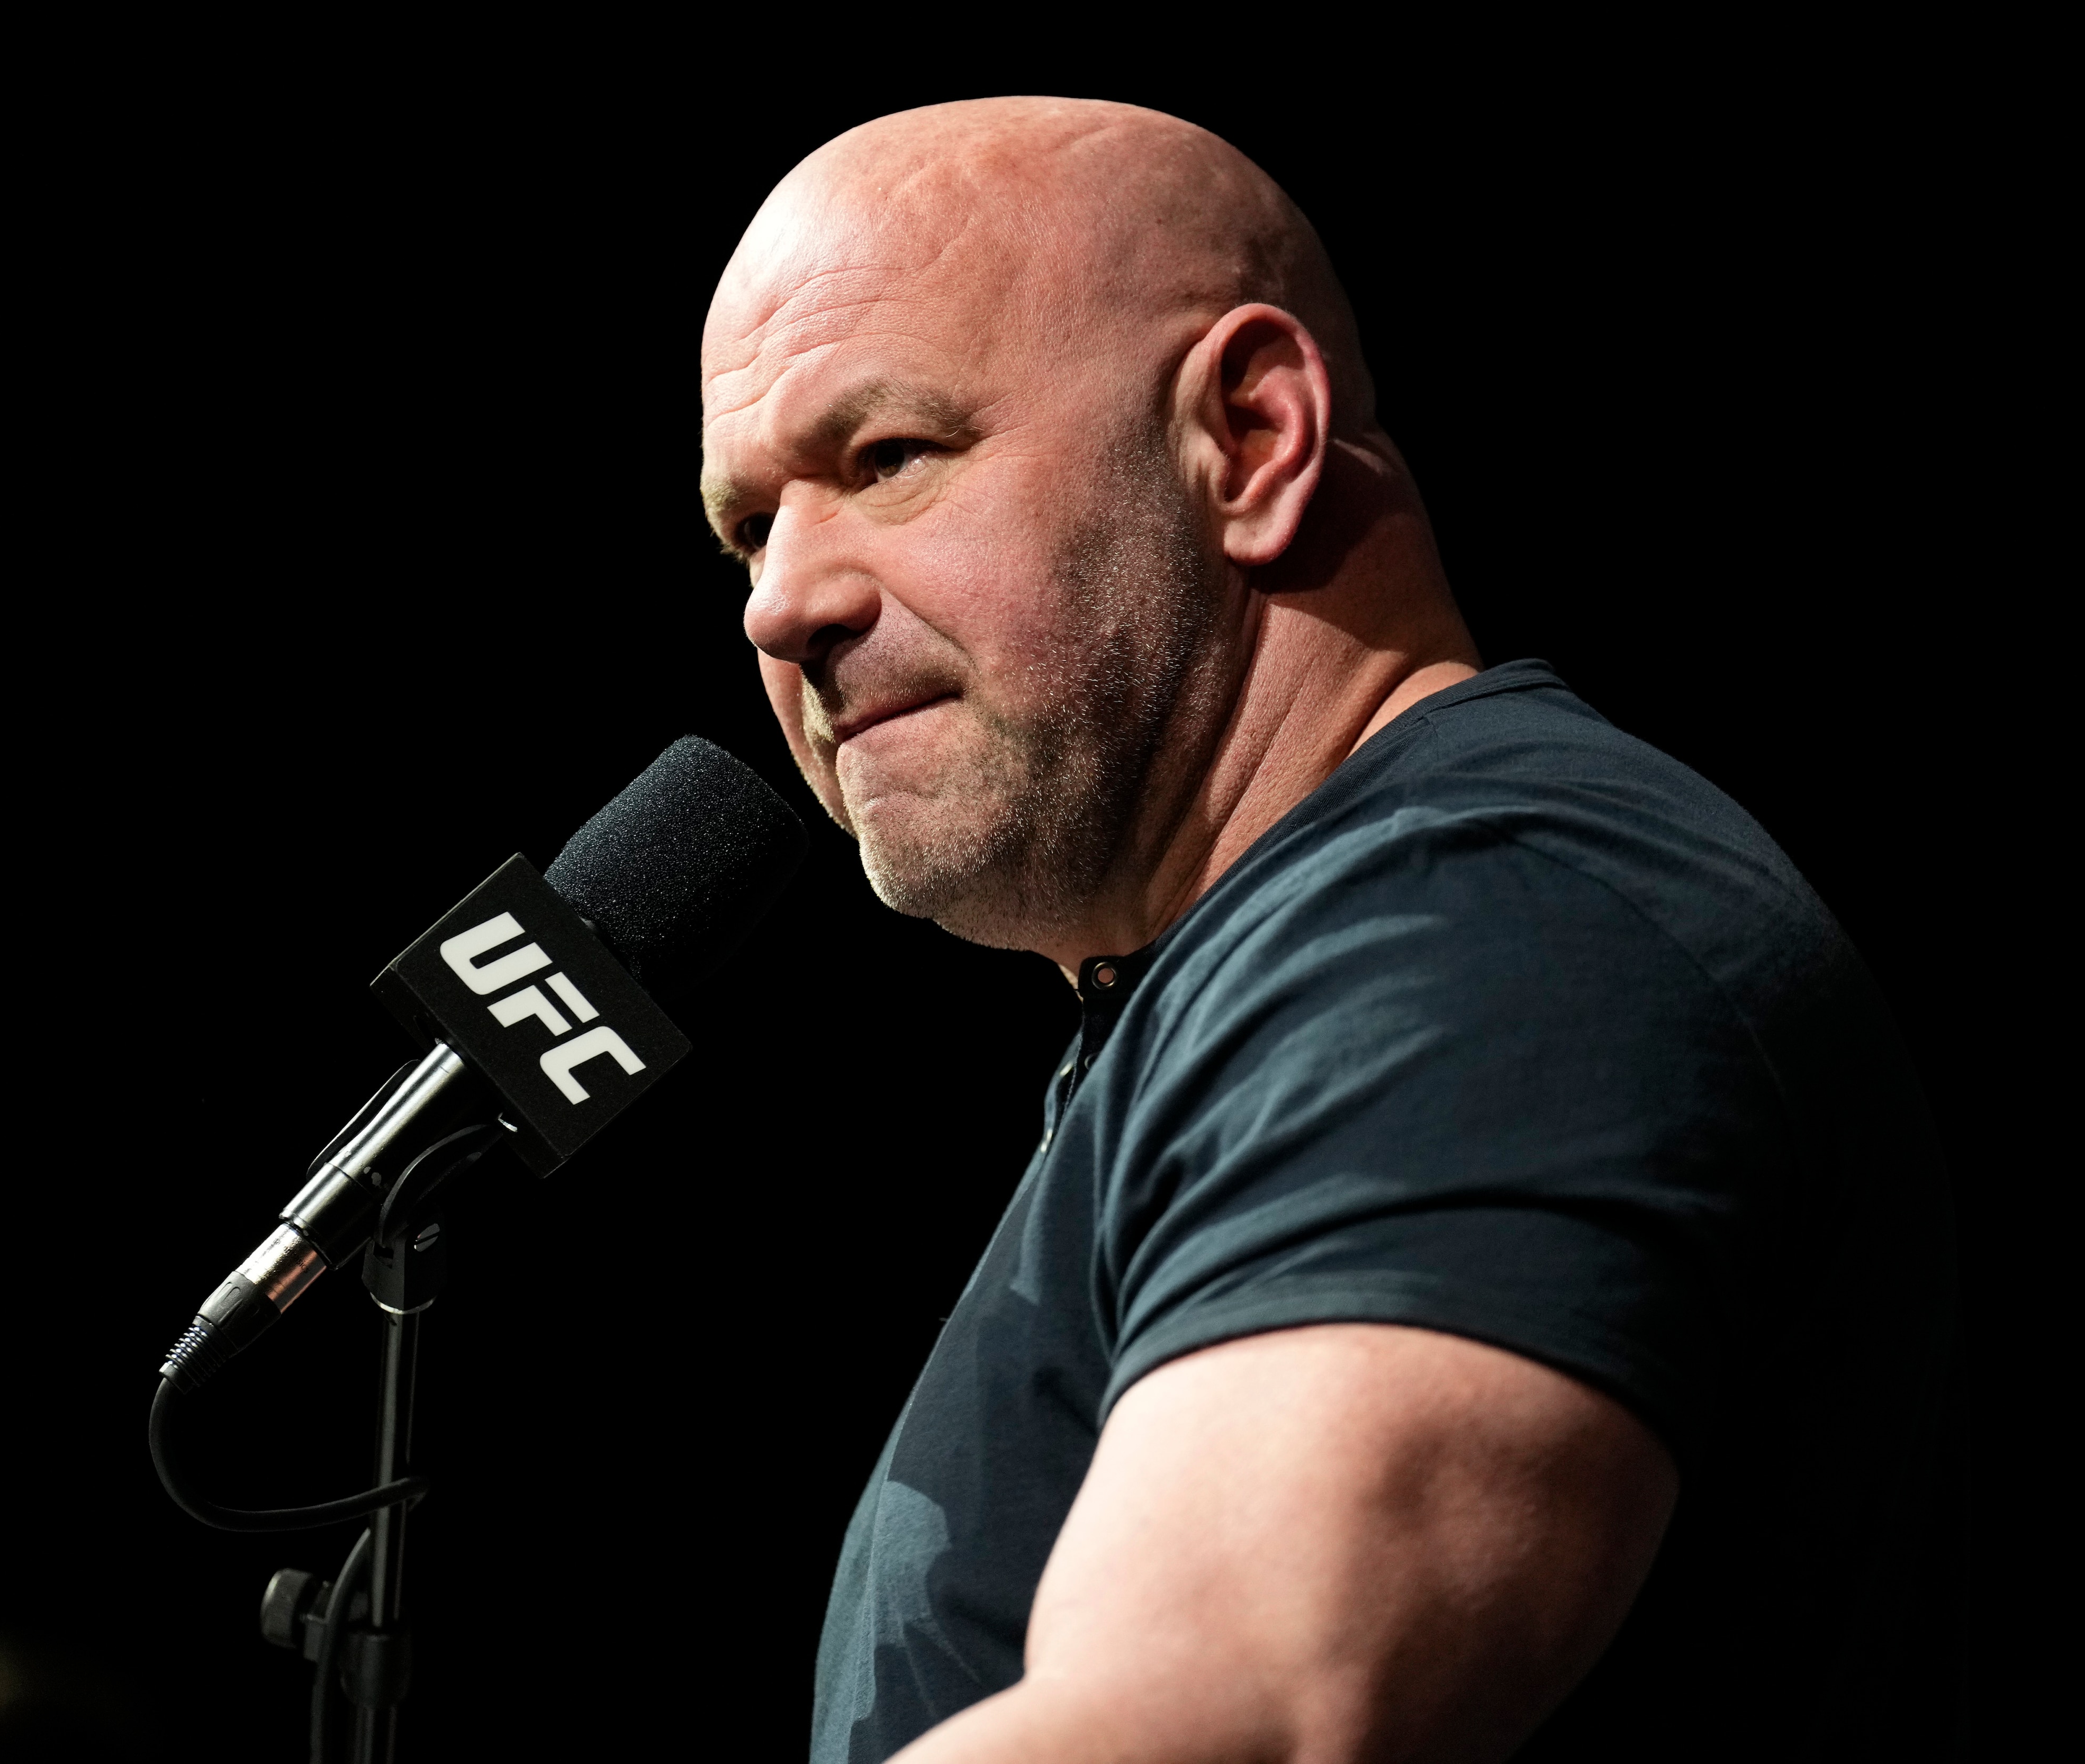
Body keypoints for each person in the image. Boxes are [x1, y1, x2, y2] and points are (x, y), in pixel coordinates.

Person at [700, 97, 1961, 1762]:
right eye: (748, 527)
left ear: (1253, 435)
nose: (784, 601)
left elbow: (1246, 1719)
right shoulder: (1309, 957)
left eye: (885, 459)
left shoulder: (1485, 931)